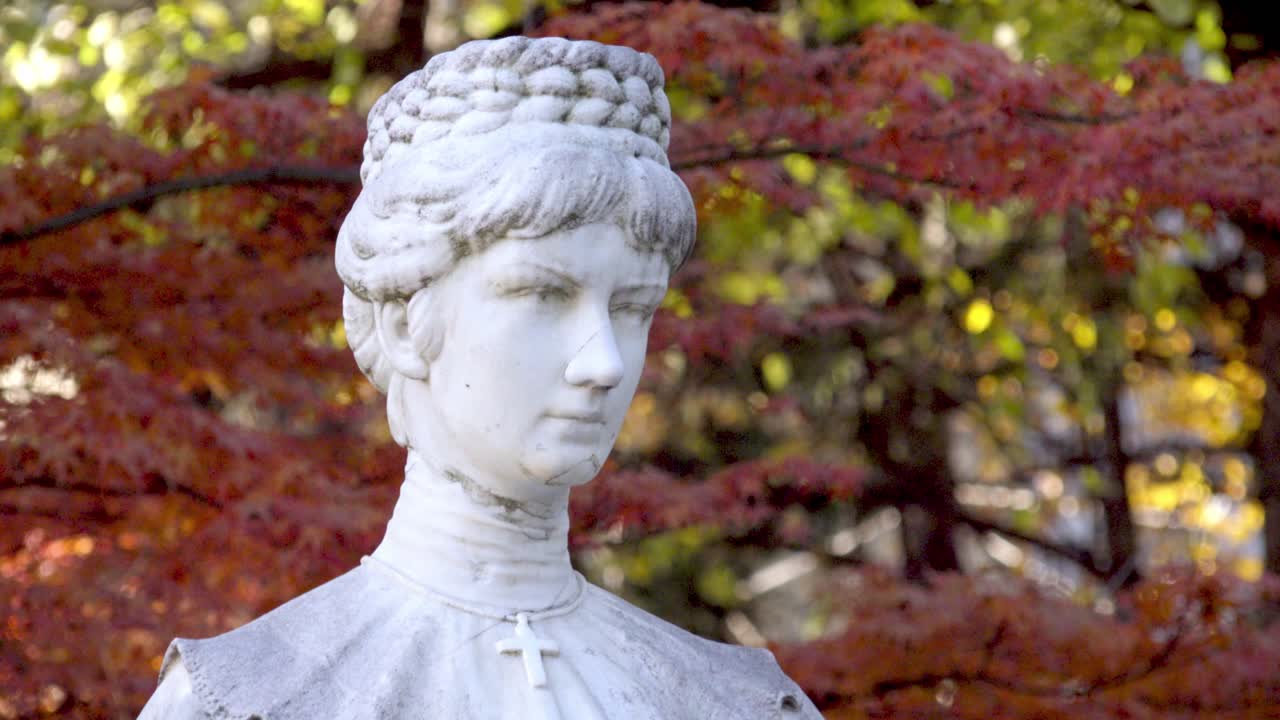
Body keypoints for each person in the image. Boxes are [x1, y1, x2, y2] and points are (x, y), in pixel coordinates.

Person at [138, 36, 820, 720]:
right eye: (542, 295)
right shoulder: (242, 703)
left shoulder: (742, 706)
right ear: (404, 324)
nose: (605, 362)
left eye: (632, 307)